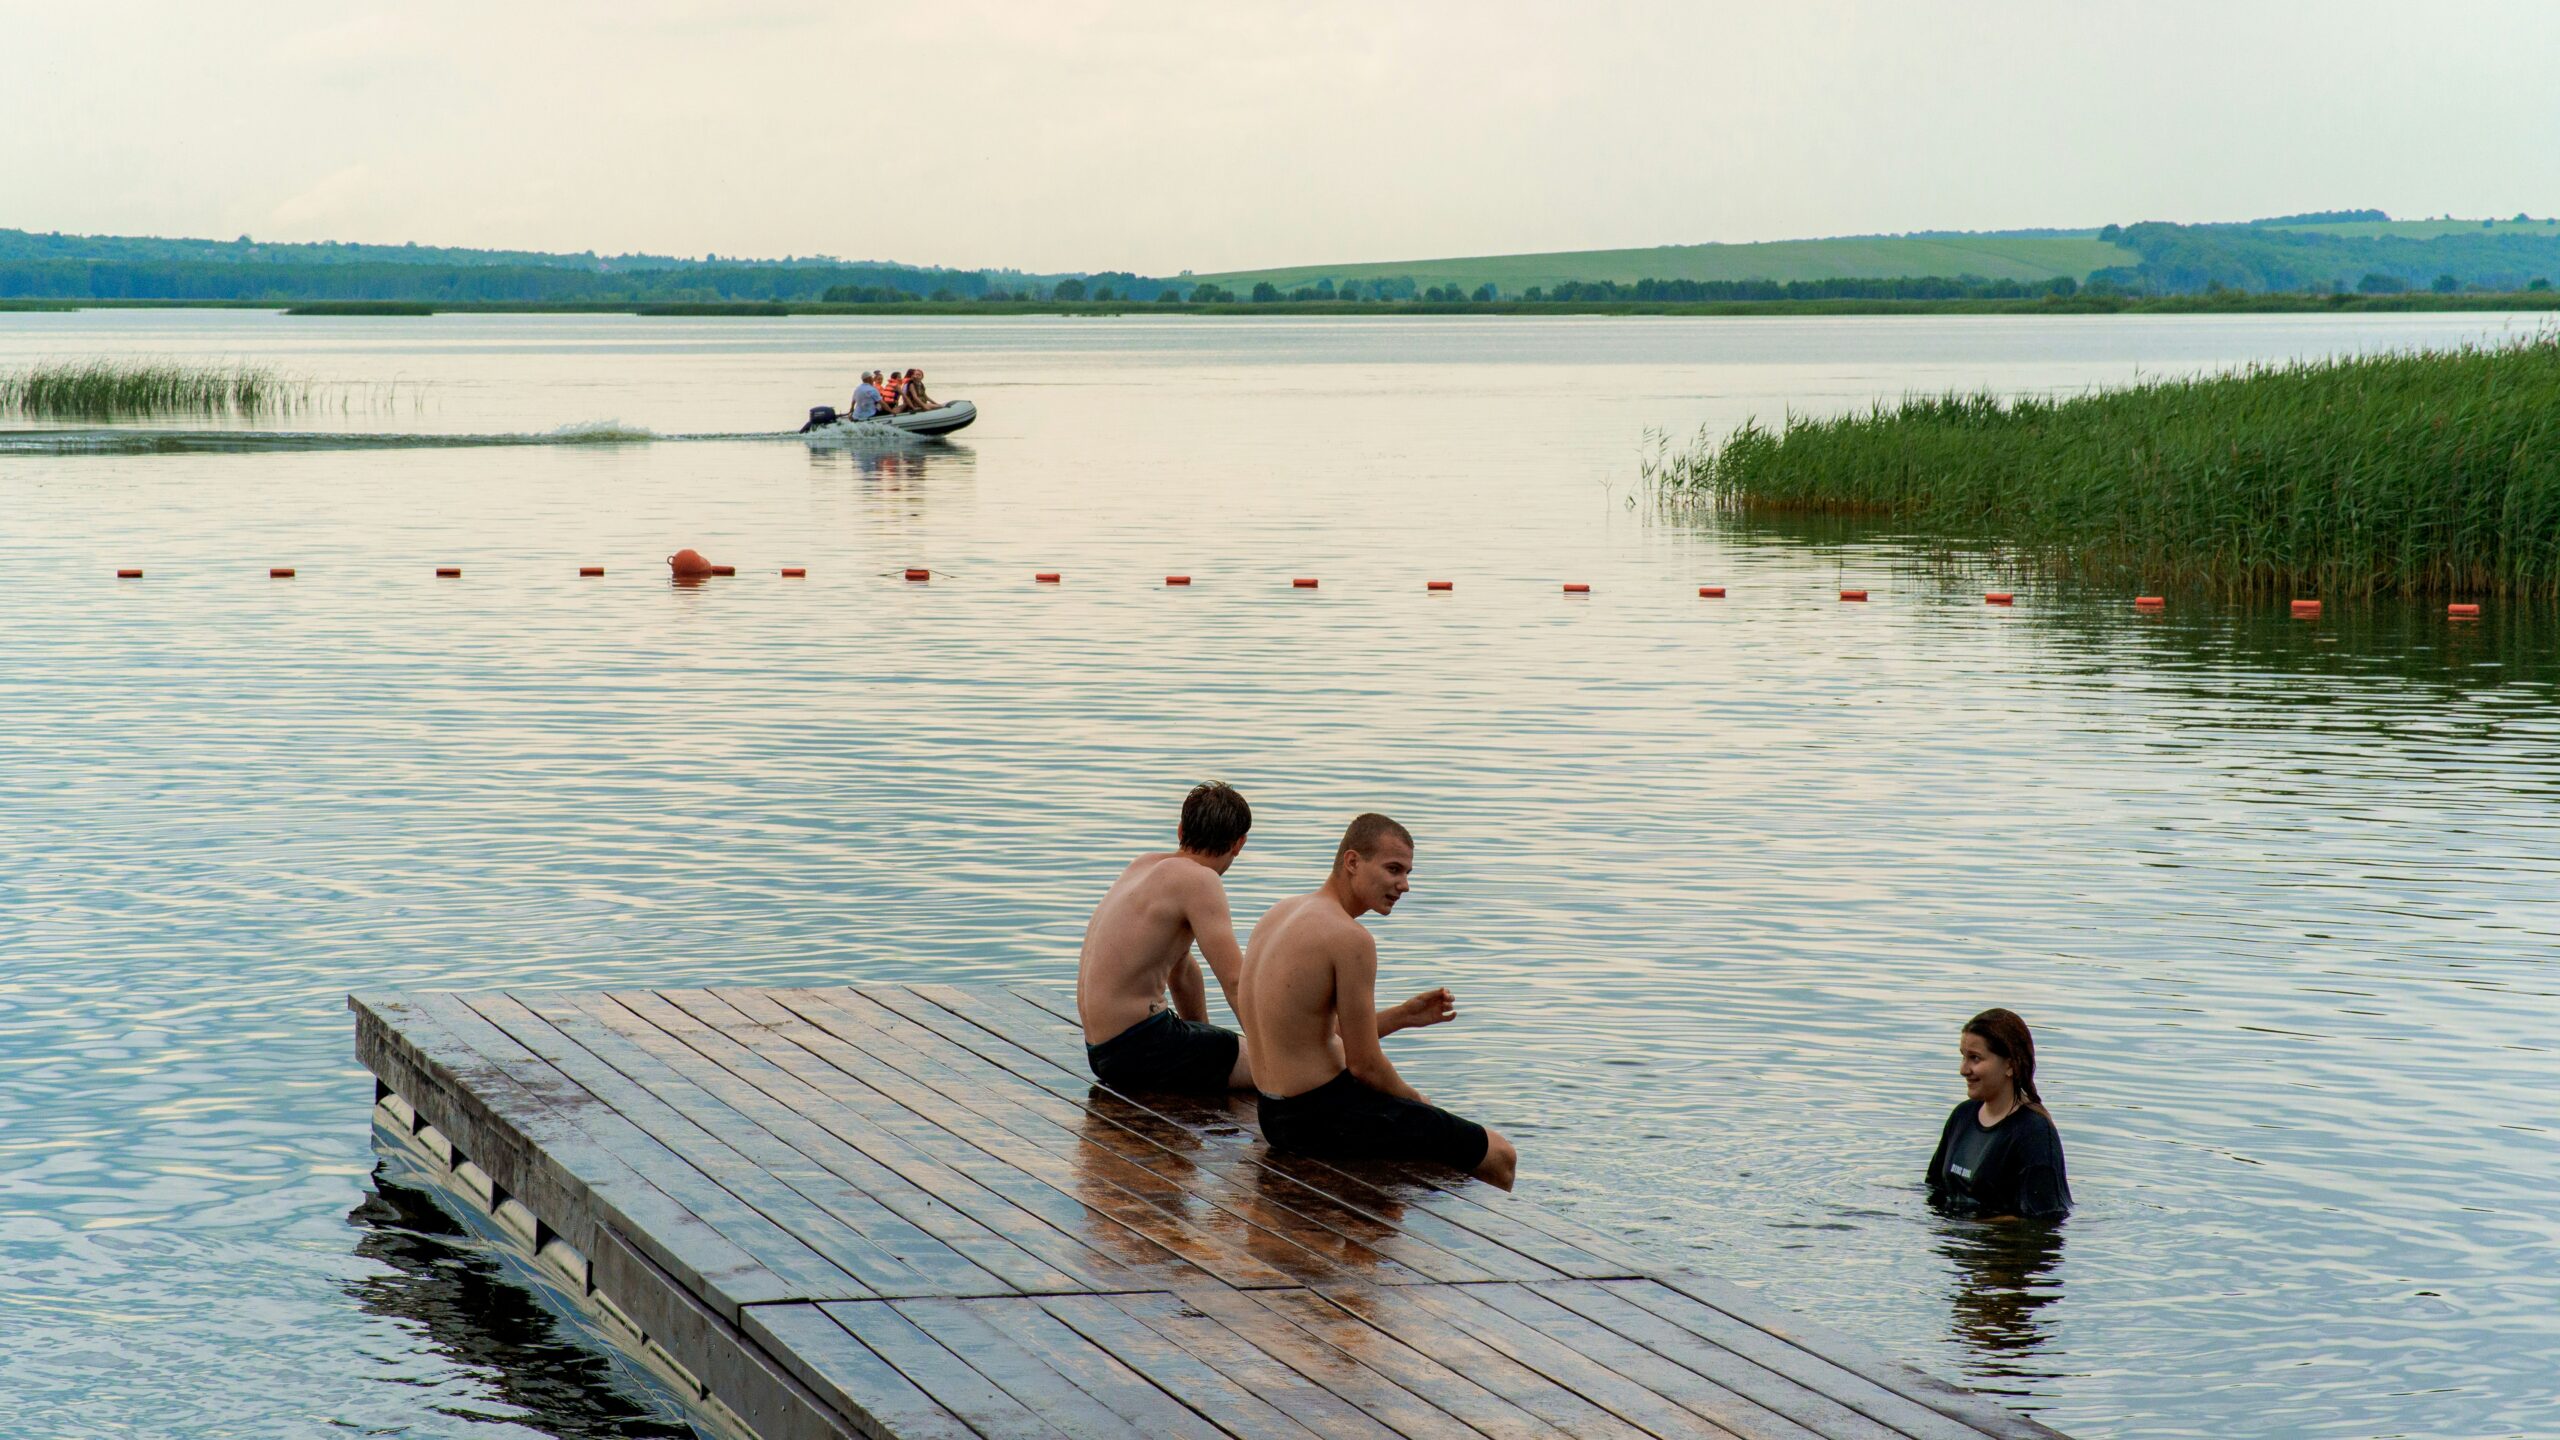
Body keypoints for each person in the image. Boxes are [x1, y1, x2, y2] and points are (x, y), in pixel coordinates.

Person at [1238, 813, 1515, 1189]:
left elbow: (1304, 1031)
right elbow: (1365, 1067)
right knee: (1499, 1154)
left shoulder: (1281, 913)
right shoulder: (1351, 938)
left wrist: (1401, 1017)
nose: (1403, 885)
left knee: (1429, 1130)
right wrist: (1416, 1100)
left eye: (1408, 873)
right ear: (1353, 862)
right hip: (1321, 1119)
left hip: (1275, 1115)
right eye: (1393, 869)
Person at [1077, 782, 1257, 1092]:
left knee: (1237, 1049)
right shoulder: (1201, 880)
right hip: (1143, 1047)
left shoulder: (1145, 865)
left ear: (1180, 831)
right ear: (1239, 843)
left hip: (1103, 1052)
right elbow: (1235, 981)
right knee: (1304, 1067)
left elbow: (1181, 970)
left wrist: (1203, 1032)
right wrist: (1272, 1058)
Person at [1925, 1008, 2073, 1220]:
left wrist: (1971, 1229)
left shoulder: (2034, 1133)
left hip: (1998, 1250)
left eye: (1975, 1058)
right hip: (1956, 1247)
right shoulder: (1962, 1116)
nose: (1963, 1069)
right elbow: (1934, 1188)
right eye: (1963, 1057)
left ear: (2010, 1065)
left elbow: (2042, 1221)